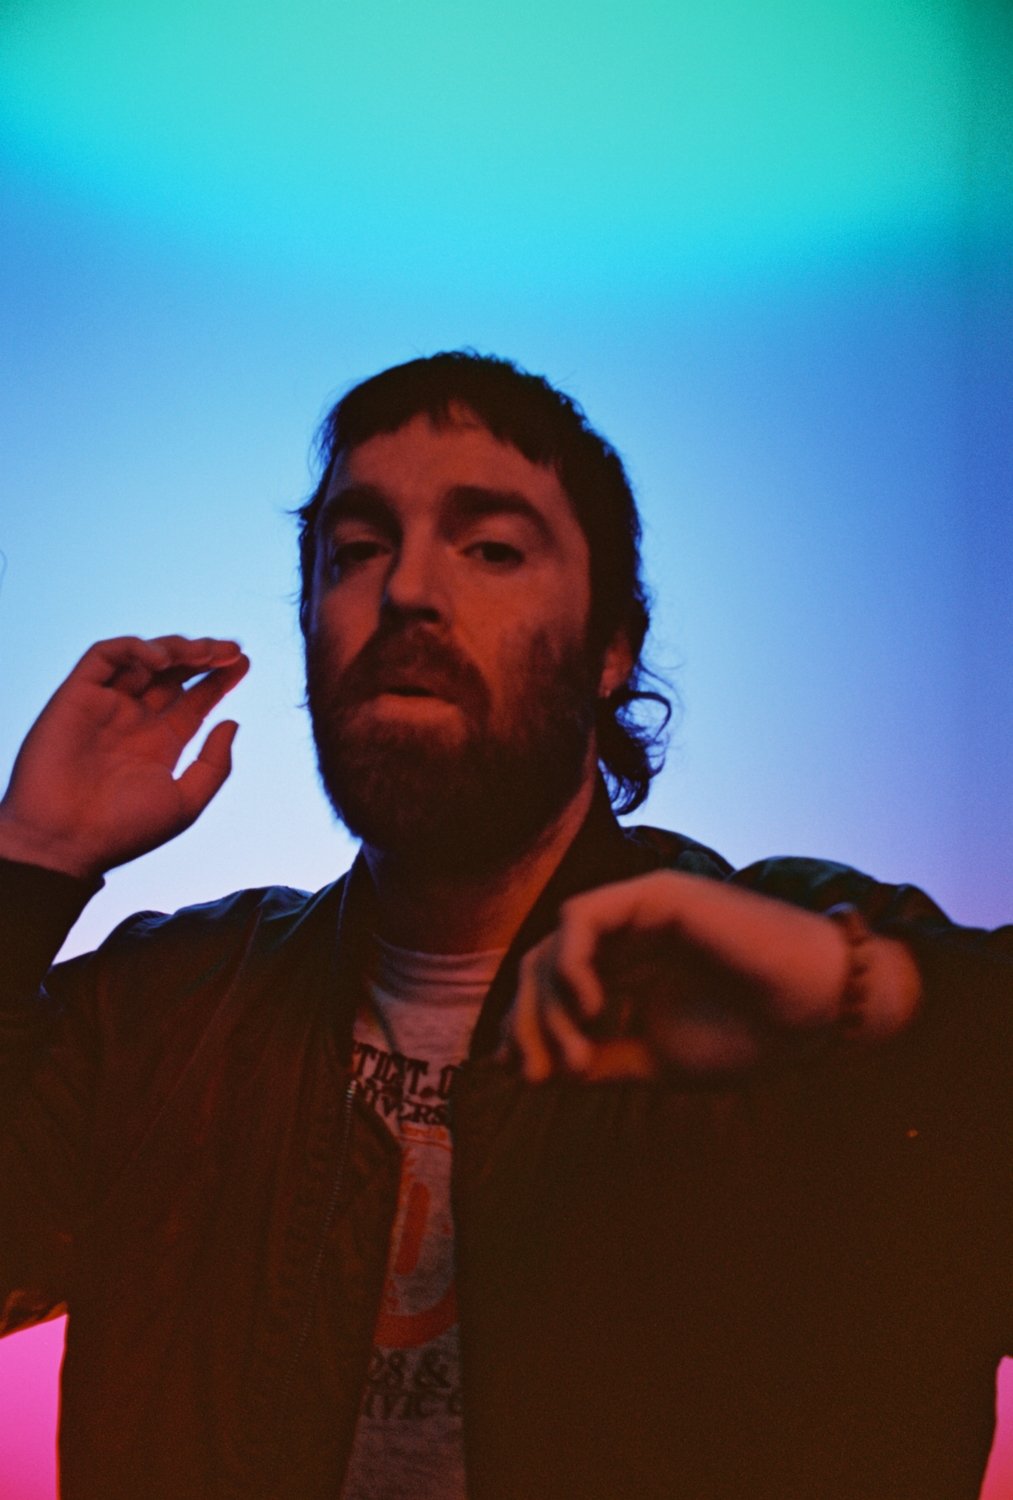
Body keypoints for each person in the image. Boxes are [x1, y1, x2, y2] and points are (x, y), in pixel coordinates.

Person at [0, 351, 1009, 1500]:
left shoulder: (814, 972)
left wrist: (874, 1006)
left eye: (488, 548)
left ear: (609, 646)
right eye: (355, 550)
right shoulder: (161, 1008)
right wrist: (26, 869)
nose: (405, 591)